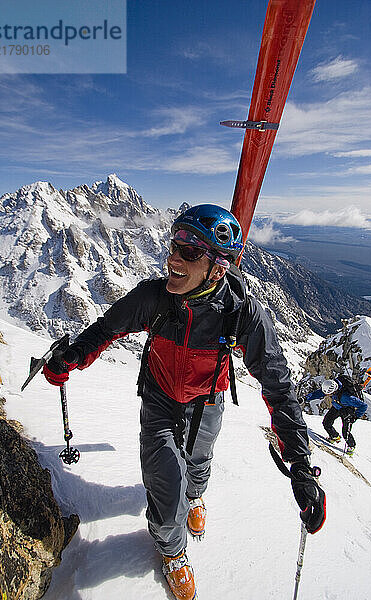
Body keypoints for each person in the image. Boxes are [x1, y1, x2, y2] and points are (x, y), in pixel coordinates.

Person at [43, 204, 326, 600]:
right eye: (174, 245)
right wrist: (71, 358)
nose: (174, 258)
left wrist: (300, 464)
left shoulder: (240, 312)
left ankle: (195, 495)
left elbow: (278, 386)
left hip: (207, 401)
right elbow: (107, 329)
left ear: (218, 268)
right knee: (164, 482)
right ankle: (172, 551)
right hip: (159, 399)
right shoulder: (153, 298)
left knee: (197, 466)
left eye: (189, 252)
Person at [306, 378, 367, 456]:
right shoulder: (331, 388)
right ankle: (334, 436)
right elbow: (319, 393)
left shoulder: (346, 397)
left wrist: (355, 416)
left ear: (333, 392)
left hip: (347, 411)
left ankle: (351, 446)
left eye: (329, 394)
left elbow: (363, 406)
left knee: (345, 432)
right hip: (337, 406)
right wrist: (306, 398)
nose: (327, 395)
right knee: (326, 423)